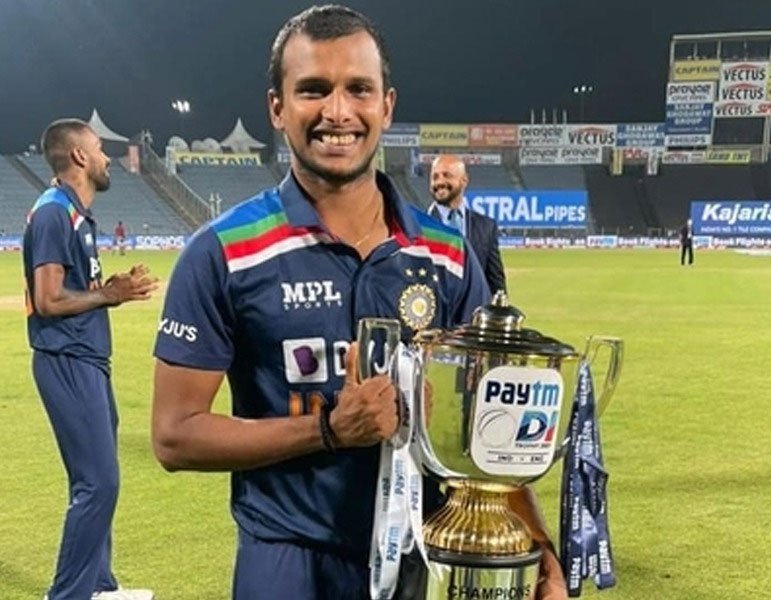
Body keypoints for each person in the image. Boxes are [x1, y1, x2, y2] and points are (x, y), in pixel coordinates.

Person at [151, 5, 565, 599]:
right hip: (286, 561)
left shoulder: (447, 255)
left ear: (386, 106)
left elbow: (488, 431)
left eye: (358, 90)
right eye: (313, 90)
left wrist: (540, 548)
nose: (338, 112)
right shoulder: (223, 252)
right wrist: (327, 429)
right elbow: (174, 435)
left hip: (426, 554)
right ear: (277, 108)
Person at [23, 119, 158, 600]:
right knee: (99, 484)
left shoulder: (74, 213)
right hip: (67, 360)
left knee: (94, 481)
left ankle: (99, 586)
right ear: (79, 156)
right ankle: (68, 595)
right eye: (99, 148)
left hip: (87, 359)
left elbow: (75, 291)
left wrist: (112, 289)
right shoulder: (54, 213)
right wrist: (109, 296)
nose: (106, 158)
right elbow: (48, 300)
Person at [428, 154, 507, 294]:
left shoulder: (486, 227)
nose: (440, 182)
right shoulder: (417, 226)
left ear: (464, 180)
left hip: (475, 307)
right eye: (435, 177)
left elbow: (496, 284)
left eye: (447, 175)